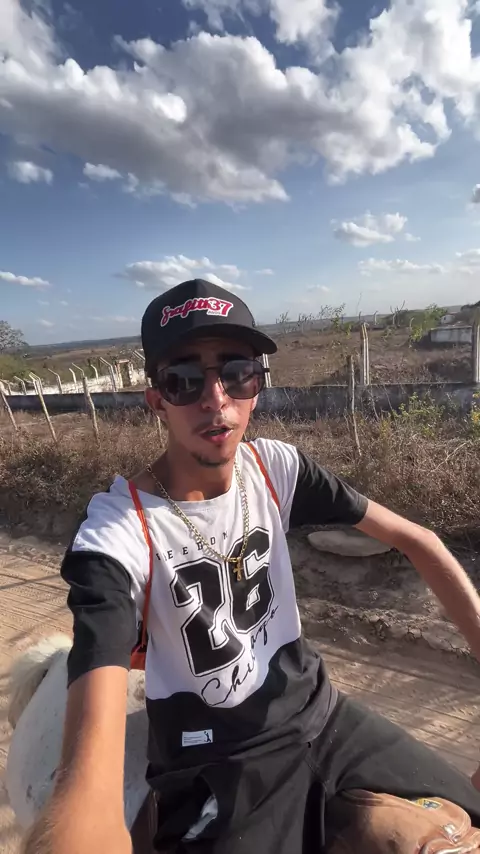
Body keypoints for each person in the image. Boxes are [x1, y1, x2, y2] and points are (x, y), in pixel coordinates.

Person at [24, 279, 480, 854]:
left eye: (237, 372)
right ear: (156, 399)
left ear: (257, 386)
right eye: (184, 379)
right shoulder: (119, 531)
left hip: (324, 718)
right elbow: (84, 787)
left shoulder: (275, 469)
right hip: (218, 762)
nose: (216, 399)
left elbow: (421, 542)